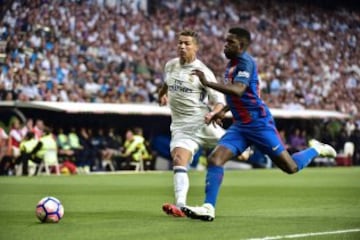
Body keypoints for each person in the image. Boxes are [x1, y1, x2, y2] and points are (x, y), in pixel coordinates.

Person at [181, 27, 337, 221]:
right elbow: (239, 97)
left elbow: (238, 90)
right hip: (240, 126)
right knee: (215, 159)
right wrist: (221, 111)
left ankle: (316, 149)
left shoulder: (246, 62)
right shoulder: (231, 65)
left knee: (290, 168)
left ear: (242, 46)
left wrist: (207, 83)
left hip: (259, 124)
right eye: (225, 41)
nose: (225, 45)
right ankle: (208, 207)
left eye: (231, 42)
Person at [158, 30, 226, 217]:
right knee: (179, 160)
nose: (182, 46)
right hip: (181, 127)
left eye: (187, 43)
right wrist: (162, 94)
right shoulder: (171, 65)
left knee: (242, 152)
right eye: (180, 43)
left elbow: (220, 100)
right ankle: (180, 205)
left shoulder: (203, 72)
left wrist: (213, 112)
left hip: (203, 123)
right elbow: (167, 83)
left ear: (196, 47)